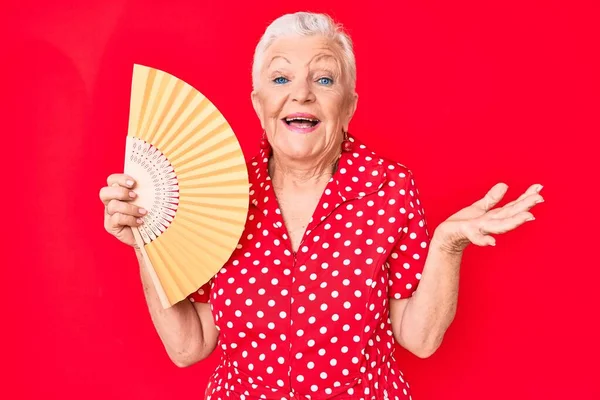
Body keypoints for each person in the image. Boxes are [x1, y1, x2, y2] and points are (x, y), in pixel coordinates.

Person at [98, 11, 543, 400]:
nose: (302, 93)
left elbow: (420, 339)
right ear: (259, 103)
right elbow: (188, 346)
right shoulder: (219, 191)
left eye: (324, 79)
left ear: (348, 106)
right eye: (280, 78)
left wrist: (447, 245)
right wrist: (145, 237)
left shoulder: (390, 188)